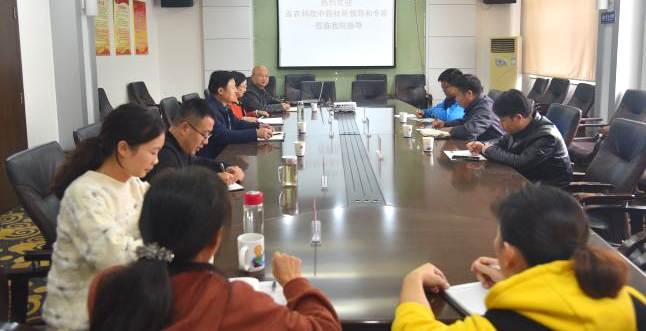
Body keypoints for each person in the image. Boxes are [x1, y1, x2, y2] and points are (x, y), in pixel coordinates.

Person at [88, 167, 342, 331]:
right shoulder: (232, 302)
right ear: (215, 238)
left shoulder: (106, 285)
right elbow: (326, 327)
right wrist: (295, 282)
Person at [394, 185, 646, 331]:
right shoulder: (633, 302)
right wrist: (515, 276)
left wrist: (413, 280)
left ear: (509, 254)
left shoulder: (505, 323)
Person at [44, 104, 166, 330]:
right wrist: (164, 251)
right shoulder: (85, 193)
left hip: (123, 297)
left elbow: (163, 212)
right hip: (83, 314)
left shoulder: (132, 183)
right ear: (123, 148)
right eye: (153, 152)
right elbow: (114, 257)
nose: (156, 160)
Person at [466, 89, 572, 186]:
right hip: (526, 175)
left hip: (548, 185)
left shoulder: (547, 136)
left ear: (518, 117)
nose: (500, 125)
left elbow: (520, 163)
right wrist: (482, 145)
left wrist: (487, 149)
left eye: (502, 120)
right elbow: (501, 142)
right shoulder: (520, 126)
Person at [145, 98, 244, 185]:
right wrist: (212, 180)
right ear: (185, 128)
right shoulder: (164, 154)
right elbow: (173, 189)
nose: (206, 141)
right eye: (204, 135)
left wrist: (227, 168)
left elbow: (198, 162)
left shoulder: (180, 145)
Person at [198, 70, 273, 159]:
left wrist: (258, 125)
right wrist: (255, 133)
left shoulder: (223, 105)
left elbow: (237, 123)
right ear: (221, 91)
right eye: (233, 88)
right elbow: (224, 135)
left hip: (226, 151)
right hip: (215, 157)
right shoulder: (209, 110)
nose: (236, 90)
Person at [432, 74, 503, 141]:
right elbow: (464, 121)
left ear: (469, 94)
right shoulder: (476, 104)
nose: (456, 99)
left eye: (457, 96)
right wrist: (445, 124)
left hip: (493, 145)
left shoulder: (485, 108)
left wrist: (449, 130)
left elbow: (470, 131)